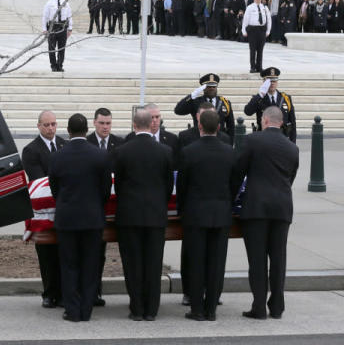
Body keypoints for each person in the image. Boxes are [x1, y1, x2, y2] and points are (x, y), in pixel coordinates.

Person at [234, 106, 299, 320]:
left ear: (264, 120)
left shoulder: (253, 141)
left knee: (258, 259)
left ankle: (259, 307)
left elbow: (238, 171)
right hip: (281, 207)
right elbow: (291, 176)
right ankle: (277, 306)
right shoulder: (292, 148)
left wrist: (231, 198)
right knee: (279, 258)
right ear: (280, 122)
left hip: (257, 207)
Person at [49, 113, 111, 323]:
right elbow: (105, 190)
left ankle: (72, 310)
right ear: (87, 131)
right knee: (90, 264)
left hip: (67, 218)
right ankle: (86, 309)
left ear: (68, 130)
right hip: (92, 218)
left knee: (69, 265)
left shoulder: (57, 156)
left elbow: (54, 189)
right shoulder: (100, 156)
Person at [113, 108, 174, 321]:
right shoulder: (165, 151)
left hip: (129, 215)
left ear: (134, 125)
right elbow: (169, 185)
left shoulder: (121, 151)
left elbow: (118, 185)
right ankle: (151, 310)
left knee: (133, 264)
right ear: (151, 124)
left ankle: (137, 309)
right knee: (153, 263)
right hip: (156, 215)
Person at [176, 109, 237, 322]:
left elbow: (181, 185)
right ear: (218, 128)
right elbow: (235, 182)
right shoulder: (229, 151)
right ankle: (211, 308)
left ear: (199, 126)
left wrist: (182, 209)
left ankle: (197, 308)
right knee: (216, 262)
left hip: (195, 213)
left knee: (196, 261)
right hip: (221, 213)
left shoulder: (189, 151)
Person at [20, 110, 67, 308]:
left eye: (53, 124)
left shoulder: (65, 145)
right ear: (39, 126)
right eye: (46, 125)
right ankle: (49, 293)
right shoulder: (31, 150)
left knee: (64, 253)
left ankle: (64, 293)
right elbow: (40, 180)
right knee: (47, 254)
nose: (50, 128)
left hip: (64, 208)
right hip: (44, 210)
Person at [85, 107, 119, 306]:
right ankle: (90, 292)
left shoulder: (119, 144)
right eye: (102, 123)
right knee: (91, 253)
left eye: (108, 123)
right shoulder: (87, 143)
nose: (106, 127)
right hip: (91, 206)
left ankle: (95, 291)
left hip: (110, 208)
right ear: (94, 123)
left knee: (101, 254)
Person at [174, 73, 235, 145]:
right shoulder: (196, 102)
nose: (212, 88)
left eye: (214, 86)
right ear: (203, 88)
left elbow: (231, 125)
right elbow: (178, 110)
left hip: (220, 141)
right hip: (199, 140)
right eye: (208, 86)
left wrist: (230, 144)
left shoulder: (225, 103)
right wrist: (191, 96)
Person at [244, 67, 297, 142]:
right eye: (269, 81)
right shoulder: (259, 98)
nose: (272, 83)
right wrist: (260, 95)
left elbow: (292, 123)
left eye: (274, 80)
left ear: (277, 82)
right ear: (264, 82)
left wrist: (293, 145)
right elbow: (247, 111)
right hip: (264, 140)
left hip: (283, 140)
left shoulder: (285, 98)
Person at [42, 0, 73, 72]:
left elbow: (69, 15)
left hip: (63, 27)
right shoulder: (49, 3)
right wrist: (44, 29)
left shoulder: (65, 2)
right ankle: (53, 66)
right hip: (52, 26)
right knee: (52, 48)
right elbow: (45, 16)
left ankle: (60, 65)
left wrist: (70, 28)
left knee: (61, 48)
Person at [242, 0, 272, 73]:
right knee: (252, 49)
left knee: (260, 50)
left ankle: (259, 67)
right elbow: (245, 19)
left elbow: (269, 20)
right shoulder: (250, 7)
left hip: (262, 30)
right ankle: (252, 67)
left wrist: (268, 30)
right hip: (252, 30)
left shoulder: (265, 7)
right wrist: (244, 30)